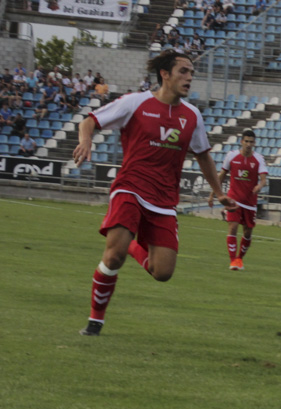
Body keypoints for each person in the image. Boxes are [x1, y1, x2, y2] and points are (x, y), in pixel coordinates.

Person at [71, 50, 234, 337]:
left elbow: (204, 156)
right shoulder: (136, 102)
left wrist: (219, 193)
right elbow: (89, 121)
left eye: (192, 73)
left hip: (163, 200)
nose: (189, 78)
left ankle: (132, 245)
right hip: (130, 188)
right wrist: (85, 142)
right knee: (113, 257)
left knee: (163, 273)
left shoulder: (192, 116)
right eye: (183, 71)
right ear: (165, 74)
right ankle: (95, 321)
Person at [210, 130, 268, 271]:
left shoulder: (259, 158)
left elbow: (263, 180)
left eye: (251, 142)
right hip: (233, 199)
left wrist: (259, 186)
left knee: (248, 232)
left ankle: (239, 259)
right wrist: (213, 194)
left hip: (250, 201)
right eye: (246, 141)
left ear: (254, 143)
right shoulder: (231, 156)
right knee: (233, 227)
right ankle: (232, 261)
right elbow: (221, 176)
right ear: (241, 141)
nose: (248, 144)